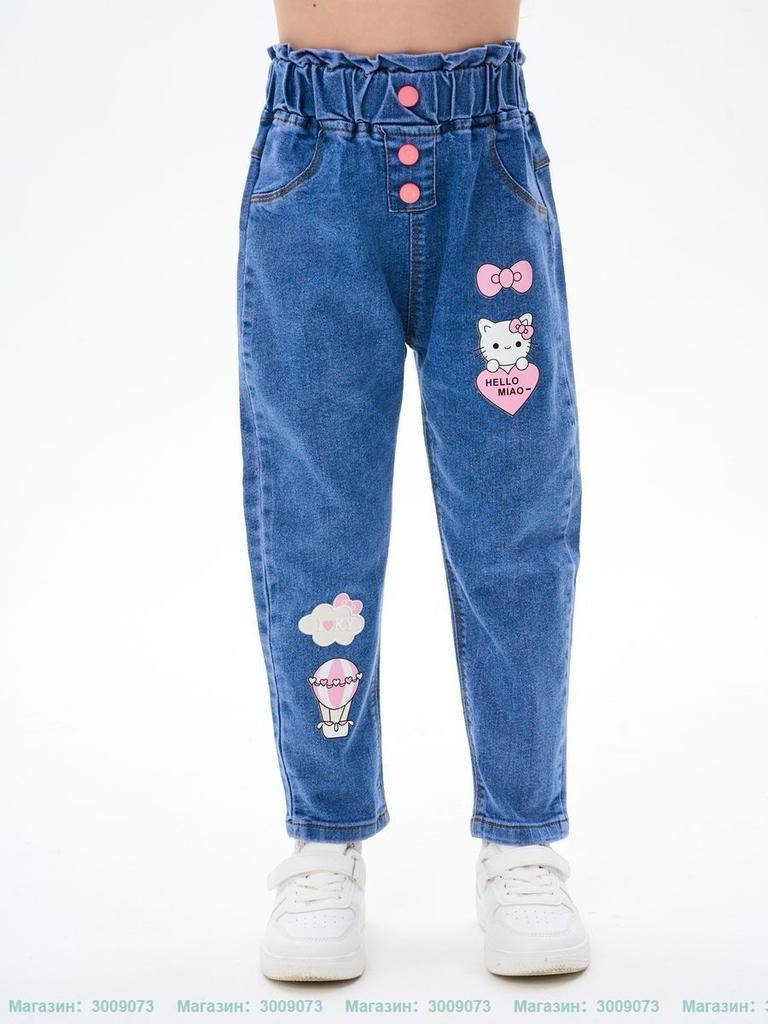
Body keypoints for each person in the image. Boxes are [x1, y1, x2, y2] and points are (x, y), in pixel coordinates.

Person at [237, 0, 588, 980]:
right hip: (315, 160)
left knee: (515, 515)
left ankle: (522, 839)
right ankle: (324, 840)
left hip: (487, 154)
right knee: (316, 518)